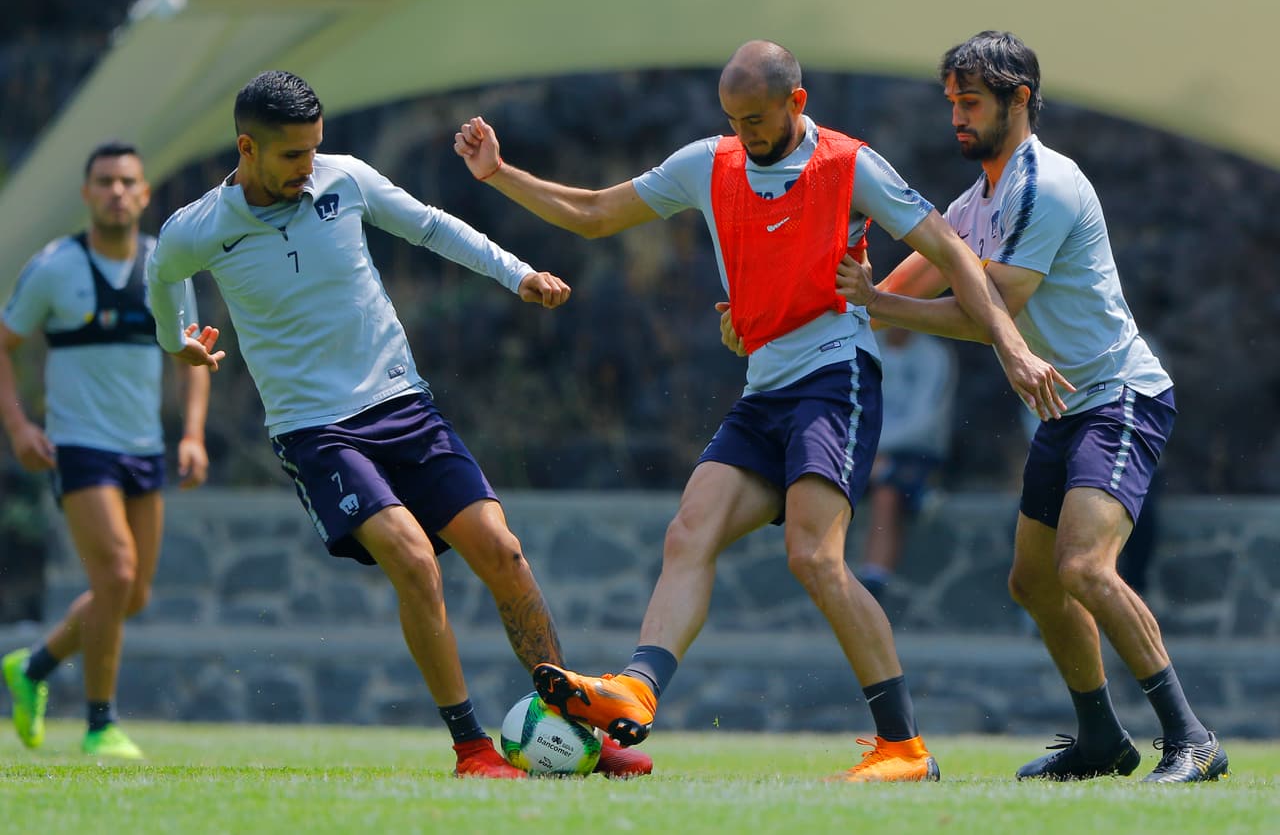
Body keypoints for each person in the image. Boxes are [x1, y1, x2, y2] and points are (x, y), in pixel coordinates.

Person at [454, 39, 1066, 782]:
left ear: (796, 103)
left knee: (812, 553)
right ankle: (636, 691)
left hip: (835, 376)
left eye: (756, 119)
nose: (744, 134)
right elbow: (593, 213)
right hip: (765, 388)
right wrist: (499, 174)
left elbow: (951, 250)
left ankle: (904, 747)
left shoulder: (849, 165)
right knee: (690, 528)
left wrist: (1010, 346)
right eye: (733, 119)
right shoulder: (708, 163)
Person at [144, 70, 650, 780]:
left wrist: (518, 273)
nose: (309, 167)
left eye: (315, 150)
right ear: (247, 148)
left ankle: (574, 729)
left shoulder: (344, 179)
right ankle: (472, 748)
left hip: (401, 403)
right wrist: (178, 343)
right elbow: (162, 273)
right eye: (293, 156)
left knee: (502, 550)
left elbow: (430, 226)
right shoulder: (201, 227)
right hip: (316, 431)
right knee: (412, 558)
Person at [833, 31, 1228, 783]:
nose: (957, 116)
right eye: (951, 102)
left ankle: (1192, 737)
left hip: (1120, 397)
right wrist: (833, 308)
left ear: (1020, 99)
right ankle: (1100, 737)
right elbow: (916, 277)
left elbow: (995, 310)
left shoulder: (1046, 184)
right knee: (1033, 580)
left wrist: (876, 300)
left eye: (971, 101)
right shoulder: (977, 195)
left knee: (1083, 565)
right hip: (1065, 409)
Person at [1, 141, 211, 759]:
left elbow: (193, 356)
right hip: (79, 447)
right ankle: (100, 725)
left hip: (143, 450)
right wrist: (18, 428)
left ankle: (32, 668)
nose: (116, 192)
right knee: (116, 575)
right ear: (87, 194)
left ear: (145, 194)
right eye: (104, 182)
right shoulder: (53, 268)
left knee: (133, 593)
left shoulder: (165, 268)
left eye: (127, 182)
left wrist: (193, 433)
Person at [855, 327, 956, 601]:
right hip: (866, 448)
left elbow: (925, 421)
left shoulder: (934, 355)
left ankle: (873, 581)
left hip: (915, 451)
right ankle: (918, 494)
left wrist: (876, 450)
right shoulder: (865, 346)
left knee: (888, 492)